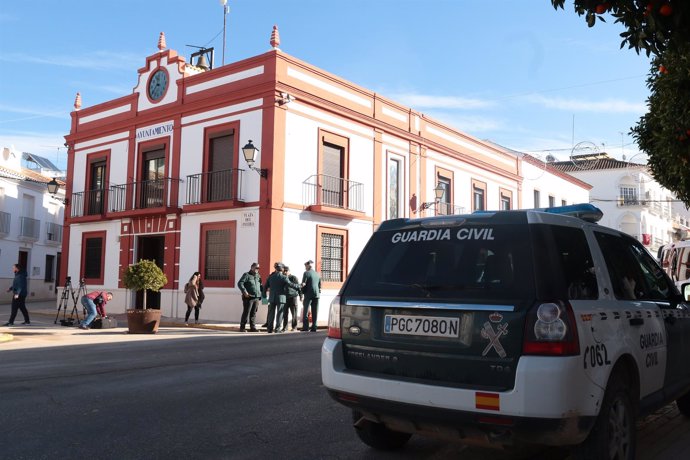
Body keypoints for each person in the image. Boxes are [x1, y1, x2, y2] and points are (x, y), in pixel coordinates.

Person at [263, 262, 300, 333]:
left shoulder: (271, 276)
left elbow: (265, 287)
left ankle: (269, 329)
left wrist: (264, 296)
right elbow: (291, 284)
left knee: (271, 313)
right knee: (280, 313)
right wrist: (299, 286)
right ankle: (277, 329)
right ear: (282, 269)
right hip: (281, 298)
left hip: (272, 298)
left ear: (276, 269)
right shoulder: (284, 277)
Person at [238, 262, 262, 332]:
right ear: (252, 267)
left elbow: (260, 285)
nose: (257, 269)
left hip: (256, 297)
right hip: (249, 297)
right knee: (246, 312)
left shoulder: (258, 276)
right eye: (256, 268)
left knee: (253, 313)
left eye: (258, 268)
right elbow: (240, 283)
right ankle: (242, 327)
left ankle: (253, 327)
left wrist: (262, 293)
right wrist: (244, 291)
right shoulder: (246, 275)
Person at [301, 260, 322, 332]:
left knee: (306, 311)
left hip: (308, 294)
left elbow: (303, 284)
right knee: (315, 311)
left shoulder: (306, 273)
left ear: (308, 266)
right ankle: (314, 327)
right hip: (316, 295)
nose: (305, 267)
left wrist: (302, 293)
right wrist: (318, 292)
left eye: (305, 266)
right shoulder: (317, 274)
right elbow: (320, 286)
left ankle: (306, 327)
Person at [283, 266, 301, 332]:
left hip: (293, 297)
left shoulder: (293, 277)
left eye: (286, 271)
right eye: (284, 271)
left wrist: (301, 296)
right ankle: (285, 327)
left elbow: (299, 287)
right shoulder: (283, 278)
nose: (285, 272)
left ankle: (294, 327)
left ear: (289, 271)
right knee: (285, 313)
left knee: (294, 313)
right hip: (285, 297)